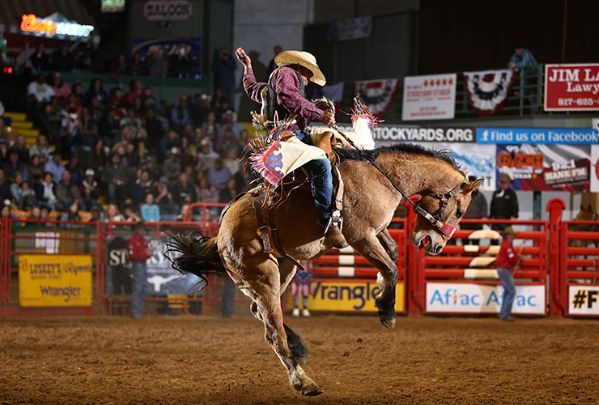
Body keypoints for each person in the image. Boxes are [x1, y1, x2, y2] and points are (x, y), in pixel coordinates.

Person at [236, 47, 342, 243]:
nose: (309, 80)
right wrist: (320, 114)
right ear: (302, 68)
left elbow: (251, 88)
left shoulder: (274, 84)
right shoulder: (287, 73)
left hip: (295, 134)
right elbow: (288, 98)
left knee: (336, 143)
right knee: (321, 164)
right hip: (286, 137)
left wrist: (248, 66)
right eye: (310, 74)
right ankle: (326, 220)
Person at [128, 222, 153, 319]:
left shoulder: (143, 241)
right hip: (137, 264)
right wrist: (146, 254)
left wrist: (147, 254)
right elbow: (132, 256)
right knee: (138, 287)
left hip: (142, 264)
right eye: (142, 229)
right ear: (138, 230)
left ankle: (138, 310)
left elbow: (144, 253)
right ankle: (135, 311)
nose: (144, 231)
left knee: (142, 287)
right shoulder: (133, 241)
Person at [496, 227, 520, 321]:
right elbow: (511, 256)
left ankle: (503, 313)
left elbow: (511, 255)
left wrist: (516, 258)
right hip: (504, 269)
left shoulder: (506, 244)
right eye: (511, 235)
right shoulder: (508, 245)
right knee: (511, 291)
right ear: (508, 236)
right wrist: (516, 261)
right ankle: (505, 314)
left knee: (507, 291)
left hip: (503, 268)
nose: (512, 237)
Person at [461, 181, 488, 245]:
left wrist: (484, 217)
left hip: (477, 223)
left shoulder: (481, 196)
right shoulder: (463, 195)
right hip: (465, 223)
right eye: (470, 184)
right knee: (465, 243)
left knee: (476, 243)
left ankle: (475, 252)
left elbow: (484, 207)